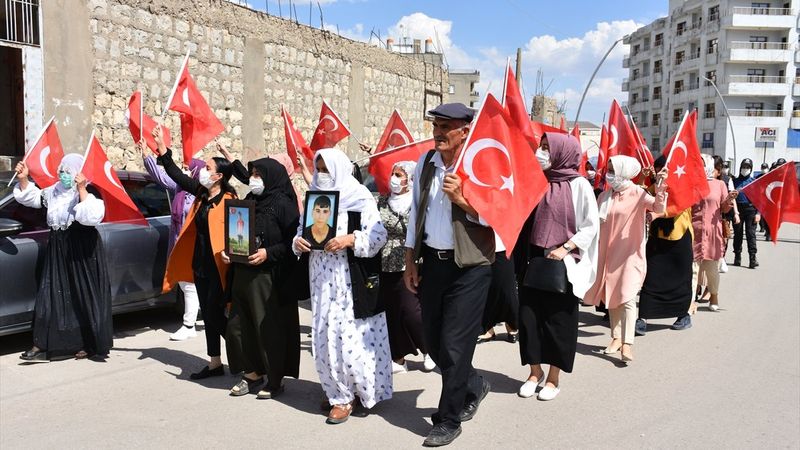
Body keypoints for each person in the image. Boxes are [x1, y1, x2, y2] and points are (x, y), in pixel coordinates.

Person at [404, 103, 494, 447]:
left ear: (464, 131)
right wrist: (410, 260)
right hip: (434, 263)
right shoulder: (426, 164)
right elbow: (415, 213)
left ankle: (448, 419)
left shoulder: (481, 162)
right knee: (434, 341)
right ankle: (474, 384)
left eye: (446, 126)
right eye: (435, 125)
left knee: (455, 344)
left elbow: (496, 217)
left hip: (471, 267)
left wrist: (463, 199)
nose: (438, 132)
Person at [293, 148, 391, 425]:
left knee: (350, 339)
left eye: (326, 169)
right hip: (321, 279)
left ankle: (356, 392)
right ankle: (338, 393)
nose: (321, 175)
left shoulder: (358, 196)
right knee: (325, 336)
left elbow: (378, 234)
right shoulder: (314, 197)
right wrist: (298, 242)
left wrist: (349, 239)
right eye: (318, 169)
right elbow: (302, 230)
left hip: (349, 280)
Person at [514, 133, 599, 401]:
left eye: (548, 149)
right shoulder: (538, 180)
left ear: (563, 153)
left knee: (558, 322)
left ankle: (553, 378)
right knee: (529, 320)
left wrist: (565, 248)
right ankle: (533, 373)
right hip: (534, 260)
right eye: (541, 147)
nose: (541, 152)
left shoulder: (579, 185)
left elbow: (590, 225)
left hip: (564, 263)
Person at [153, 125, 236, 380]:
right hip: (200, 264)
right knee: (209, 316)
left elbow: (239, 236)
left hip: (220, 266)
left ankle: (245, 354)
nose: (203, 172)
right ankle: (214, 363)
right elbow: (177, 176)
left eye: (209, 168)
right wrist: (162, 149)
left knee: (215, 313)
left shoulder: (230, 200)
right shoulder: (201, 194)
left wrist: (232, 255)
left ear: (219, 176)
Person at [14, 154, 112, 362]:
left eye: (68, 171)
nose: (63, 174)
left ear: (78, 173)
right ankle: (42, 343)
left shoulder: (88, 191)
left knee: (81, 295)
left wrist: (82, 189)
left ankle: (89, 343)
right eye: (62, 170)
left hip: (82, 251)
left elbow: (92, 217)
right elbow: (32, 198)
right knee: (51, 293)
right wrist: (24, 179)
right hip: (58, 249)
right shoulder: (53, 192)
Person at [223, 157, 301, 399]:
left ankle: (275, 380)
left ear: (271, 176)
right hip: (243, 273)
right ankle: (252, 373)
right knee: (238, 326)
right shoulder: (249, 200)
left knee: (267, 329)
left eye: (258, 174)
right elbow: (239, 232)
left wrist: (269, 253)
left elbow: (294, 244)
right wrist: (232, 250)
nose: (254, 179)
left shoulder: (283, 205)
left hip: (268, 276)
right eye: (253, 173)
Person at [583, 156, 667, 364]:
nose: (609, 174)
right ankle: (615, 338)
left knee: (627, 297)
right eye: (608, 170)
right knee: (611, 295)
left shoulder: (638, 193)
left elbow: (658, 209)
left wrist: (661, 186)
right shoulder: (604, 196)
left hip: (630, 254)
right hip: (607, 253)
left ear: (624, 171)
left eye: (613, 170)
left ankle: (627, 343)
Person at [140, 142, 203, 341]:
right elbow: (161, 175)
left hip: (193, 244)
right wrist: (147, 156)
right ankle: (199, 315)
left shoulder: (200, 192)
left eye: (187, 168)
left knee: (189, 283)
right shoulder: (179, 187)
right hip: (179, 243)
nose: (183, 170)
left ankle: (189, 324)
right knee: (187, 284)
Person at [377, 160, 435, 374]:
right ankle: (399, 358)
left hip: (409, 263)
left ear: (410, 179)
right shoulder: (382, 201)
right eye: (393, 173)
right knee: (391, 312)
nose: (394, 178)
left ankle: (429, 349)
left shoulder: (417, 203)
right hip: (384, 262)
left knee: (411, 311)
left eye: (399, 174)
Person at [637, 155, 695, 334]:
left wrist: (657, 214)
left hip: (680, 238)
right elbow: (640, 197)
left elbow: (678, 206)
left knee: (681, 278)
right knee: (651, 277)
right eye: (657, 168)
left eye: (663, 168)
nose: (659, 171)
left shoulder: (684, 186)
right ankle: (643, 317)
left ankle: (683, 315)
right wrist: (641, 178)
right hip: (657, 238)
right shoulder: (654, 186)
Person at [692, 154, 736, 312]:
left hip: (712, 232)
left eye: (703, 163)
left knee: (711, 268)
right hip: (694, 230)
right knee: (692, 269)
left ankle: (714, 295)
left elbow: (724, 208)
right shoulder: (693, 183)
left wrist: (729, 200)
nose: (700, 166)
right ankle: (689, 301)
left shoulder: (719, 185)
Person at [477, 234, 519, 344]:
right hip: (477, 245)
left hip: (502, 243)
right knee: (483, 289)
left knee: (507, 289)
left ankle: (512, 325)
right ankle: (487, 328)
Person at [732, 158, 759, 268]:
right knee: (738, 234)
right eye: (744, 167)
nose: (745, 169)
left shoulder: (754, 182)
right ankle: (737, 256)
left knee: (750, 234)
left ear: (751, 169)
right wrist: (734, 213)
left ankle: (752, 258)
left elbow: (759, 199)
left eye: (747, 167)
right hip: (738, 209)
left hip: (751, 210)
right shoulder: (734, 181)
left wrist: (758, 213)